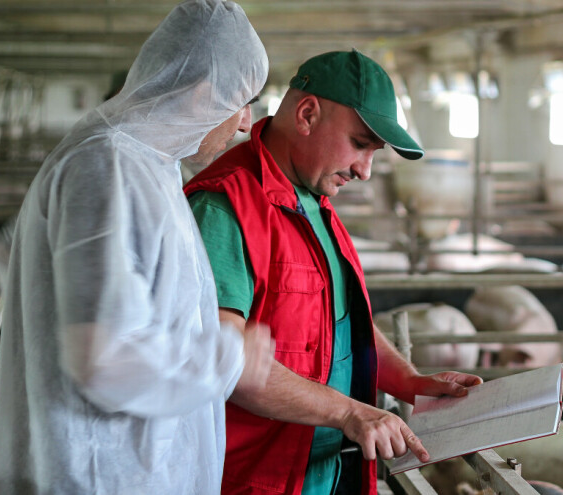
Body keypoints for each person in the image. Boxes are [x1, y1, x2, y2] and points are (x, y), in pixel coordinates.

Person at [0, 1, 274, 493]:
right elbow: (102, 359)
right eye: (241, 102)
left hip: (137, 468)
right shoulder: (107, 167)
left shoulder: (149, 164)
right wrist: (228, 358)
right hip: (97, 474)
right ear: (204, 93)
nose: (246, 123)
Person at [184, 49, 483, 495]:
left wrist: (411, 382)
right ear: (306, 114)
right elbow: (220, 360)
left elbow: (346, 329)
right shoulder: (225, 209)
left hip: (327, 473)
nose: (365, 170)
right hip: (253, 479)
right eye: (360, 144)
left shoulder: (316, 205)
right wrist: (350, 413)